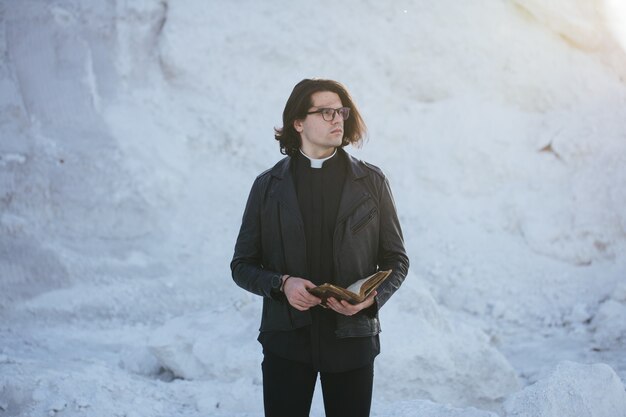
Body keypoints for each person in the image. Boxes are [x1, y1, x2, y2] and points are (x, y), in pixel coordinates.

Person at [231, 78, 409, 417]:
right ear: (298, 122)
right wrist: (282, 284)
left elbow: (396, 259)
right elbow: (242, 265)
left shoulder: (372, 182)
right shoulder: (267, 187)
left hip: (352, 341)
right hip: (286, 341)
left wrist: (370, 300)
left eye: (340, 111)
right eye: (325, 112)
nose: (337, 119)